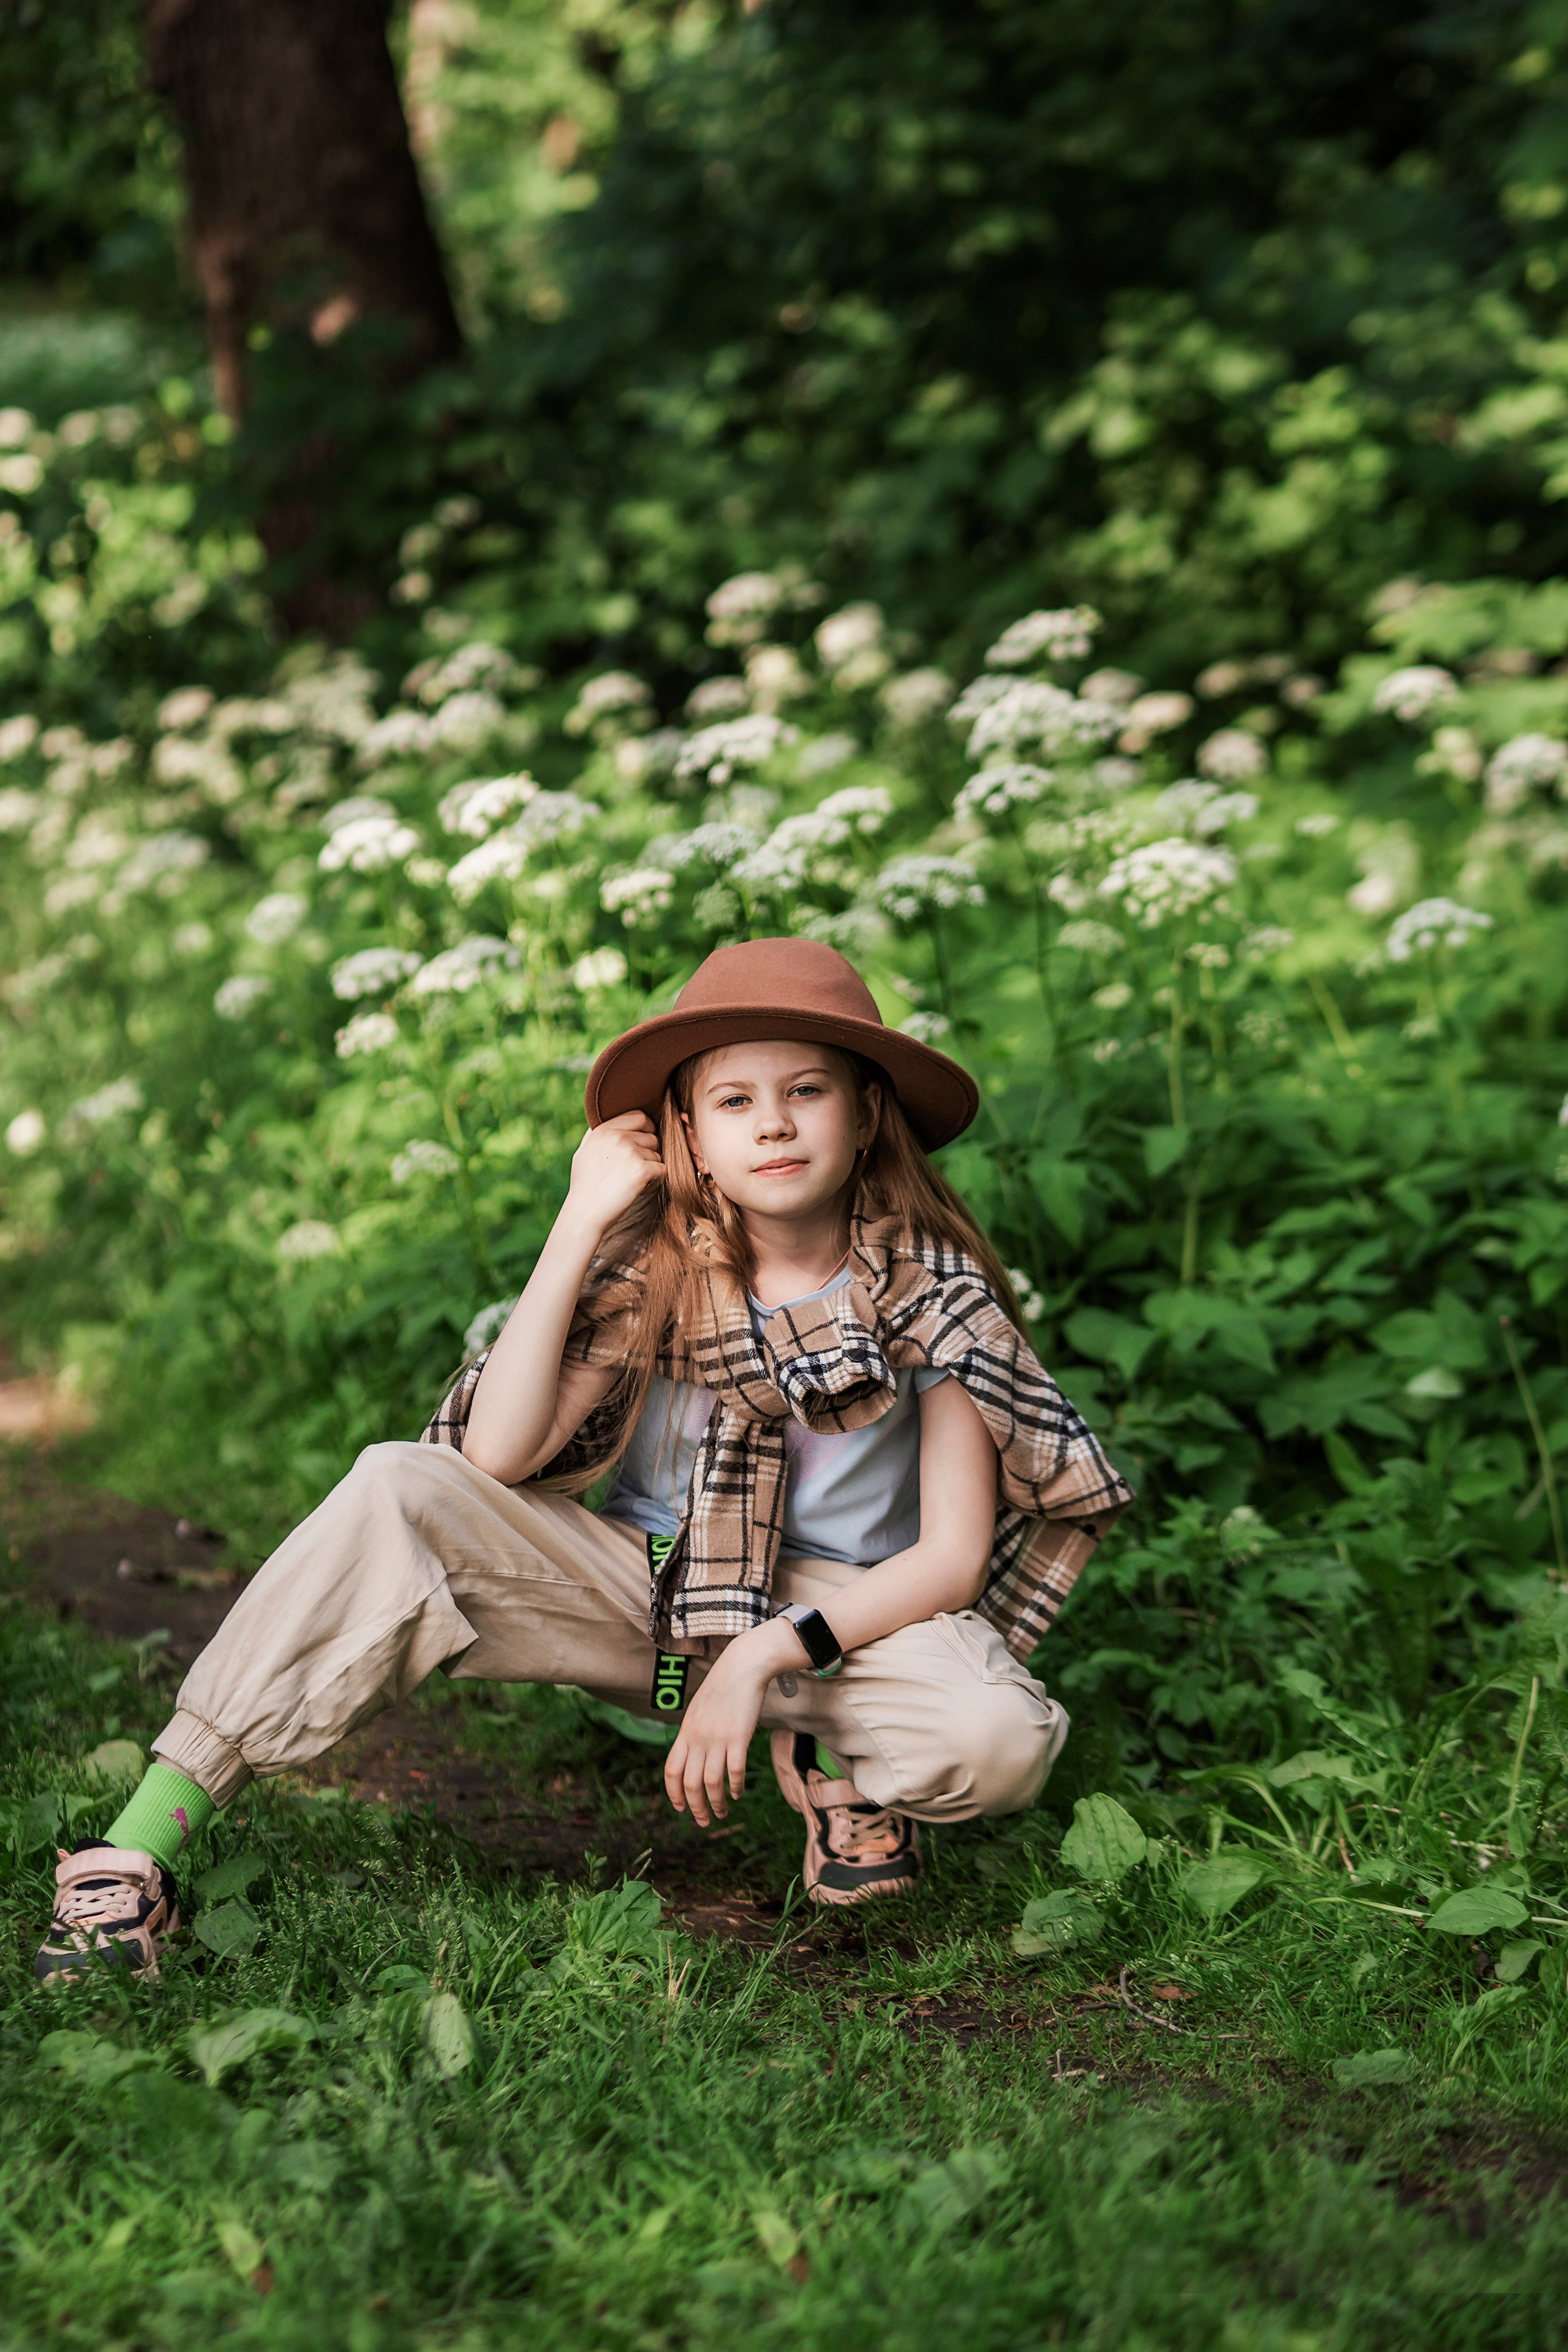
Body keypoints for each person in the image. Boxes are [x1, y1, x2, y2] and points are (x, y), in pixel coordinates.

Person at [37, 937, 1133, 1981]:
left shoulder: (934, 1297)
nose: (773, 1123)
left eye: (807, 1090)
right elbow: (497, 1452)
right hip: (640, 1589)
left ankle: (832, 1759)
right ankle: (139, 1848)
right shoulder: (656, 1269)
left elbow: (951, 1559)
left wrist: (758, 1658)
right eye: (734, 1101)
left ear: (867, 1113)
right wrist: (580, 1218)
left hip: (838, 1619)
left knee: (1001, 1737)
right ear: (687, 1131)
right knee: (399, 1485)